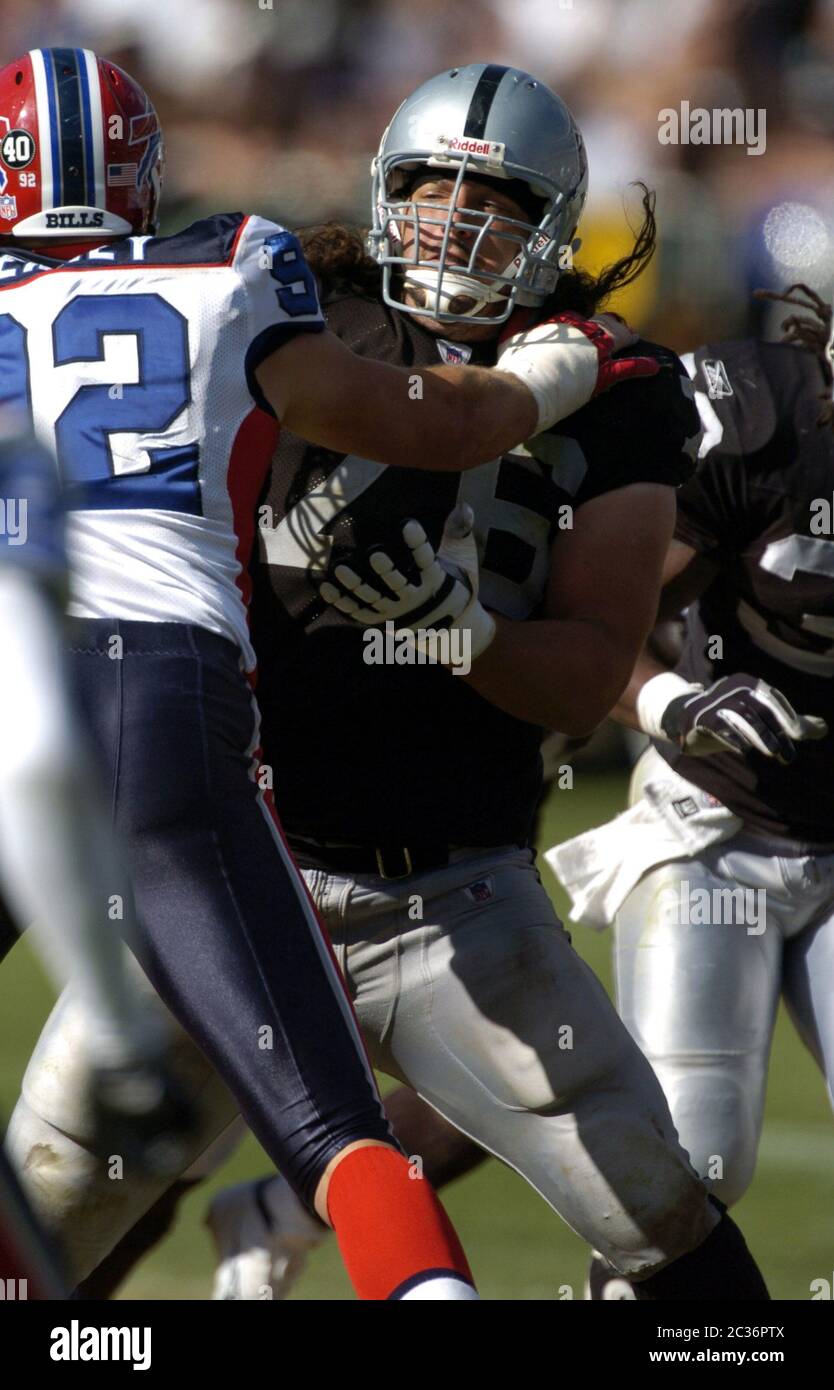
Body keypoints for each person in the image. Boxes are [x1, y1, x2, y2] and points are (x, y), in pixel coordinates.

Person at [50, 64, 768, 1302]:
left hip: (453, 900)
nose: (454, 225)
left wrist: (463, 635)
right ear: (383, 197)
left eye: (494, 203)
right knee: (66, 1208)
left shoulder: (623, 393)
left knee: (665, 1215)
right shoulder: (291, 312)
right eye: (430, 193)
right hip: (235, 869)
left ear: (552, 225)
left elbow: (589, 670)